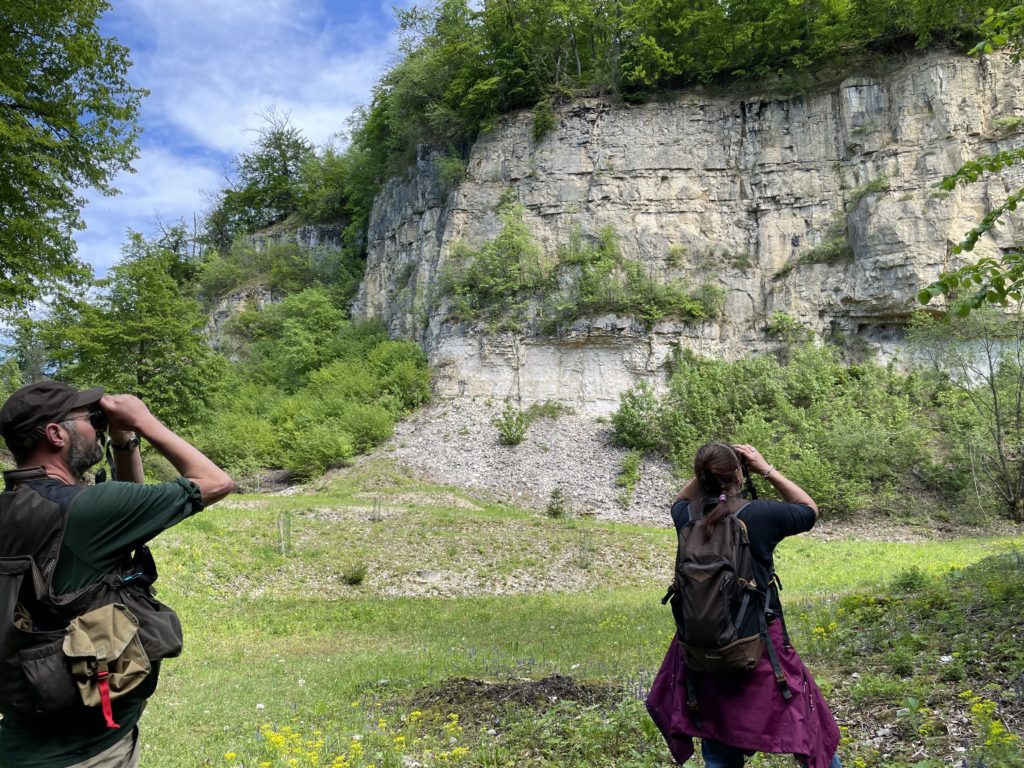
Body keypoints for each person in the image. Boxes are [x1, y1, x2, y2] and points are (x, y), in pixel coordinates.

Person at [0, 380, 234, 768]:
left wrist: (123, 441)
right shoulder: (85, 509)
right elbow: (216, 482)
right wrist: (144, 422)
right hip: (88, 750)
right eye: (92, 418)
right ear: (56, 434)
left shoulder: (13, 508)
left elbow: (127, 513)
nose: (100, 426)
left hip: (22, 735)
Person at [646, 442, 841, 768]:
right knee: (807, 725)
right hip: (761, 644)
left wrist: (707, 471)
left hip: (703, 648)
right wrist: (764, 468)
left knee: (718, 737)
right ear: (738, 474)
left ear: (700, 476)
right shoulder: (760, 514)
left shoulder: (686, 516)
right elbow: (809, 509)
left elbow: (679, 500)